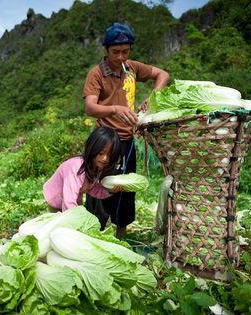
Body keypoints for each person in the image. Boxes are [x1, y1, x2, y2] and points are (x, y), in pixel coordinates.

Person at [83, 22, 169, 239]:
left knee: (124, 188)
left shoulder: (131, 68)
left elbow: (162, 75)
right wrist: (114, 109)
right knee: (98, 186)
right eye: (115, 52)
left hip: (126, 140)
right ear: (106, 50)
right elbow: (90, 107)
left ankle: (121, 234)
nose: (121, 57)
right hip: (104, 139)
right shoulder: (96, 74)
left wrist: (153, 97)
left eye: (125, 51)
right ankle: (95, 231)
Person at [43, 126, 121, 213]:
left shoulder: (96, 166)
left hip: (74, 197)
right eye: (101, 153)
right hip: (57, 200)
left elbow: (92, 188)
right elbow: (68, 201)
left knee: (76, 216)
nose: (105, 158)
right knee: (62, 224)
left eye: (110, 155)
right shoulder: (76, 168)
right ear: (92, 147)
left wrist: (109, 191)